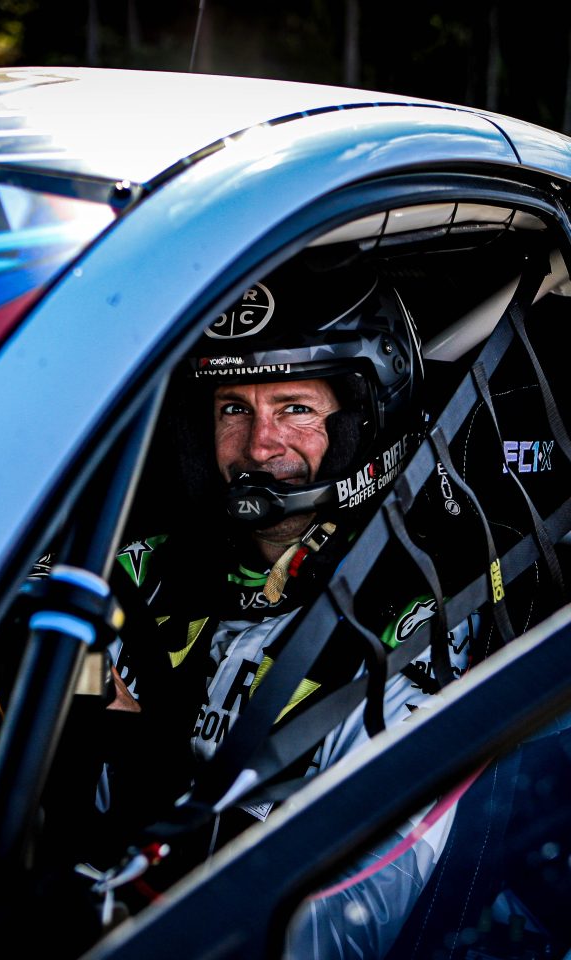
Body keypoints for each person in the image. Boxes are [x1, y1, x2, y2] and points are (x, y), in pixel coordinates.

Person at [93, 257, 475, 958]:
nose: (258, 444)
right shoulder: (145, 572)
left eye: (294, 407)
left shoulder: (413, 623)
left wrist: (134, 758)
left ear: (362, 422)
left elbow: (339, 930)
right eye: (232, 409)